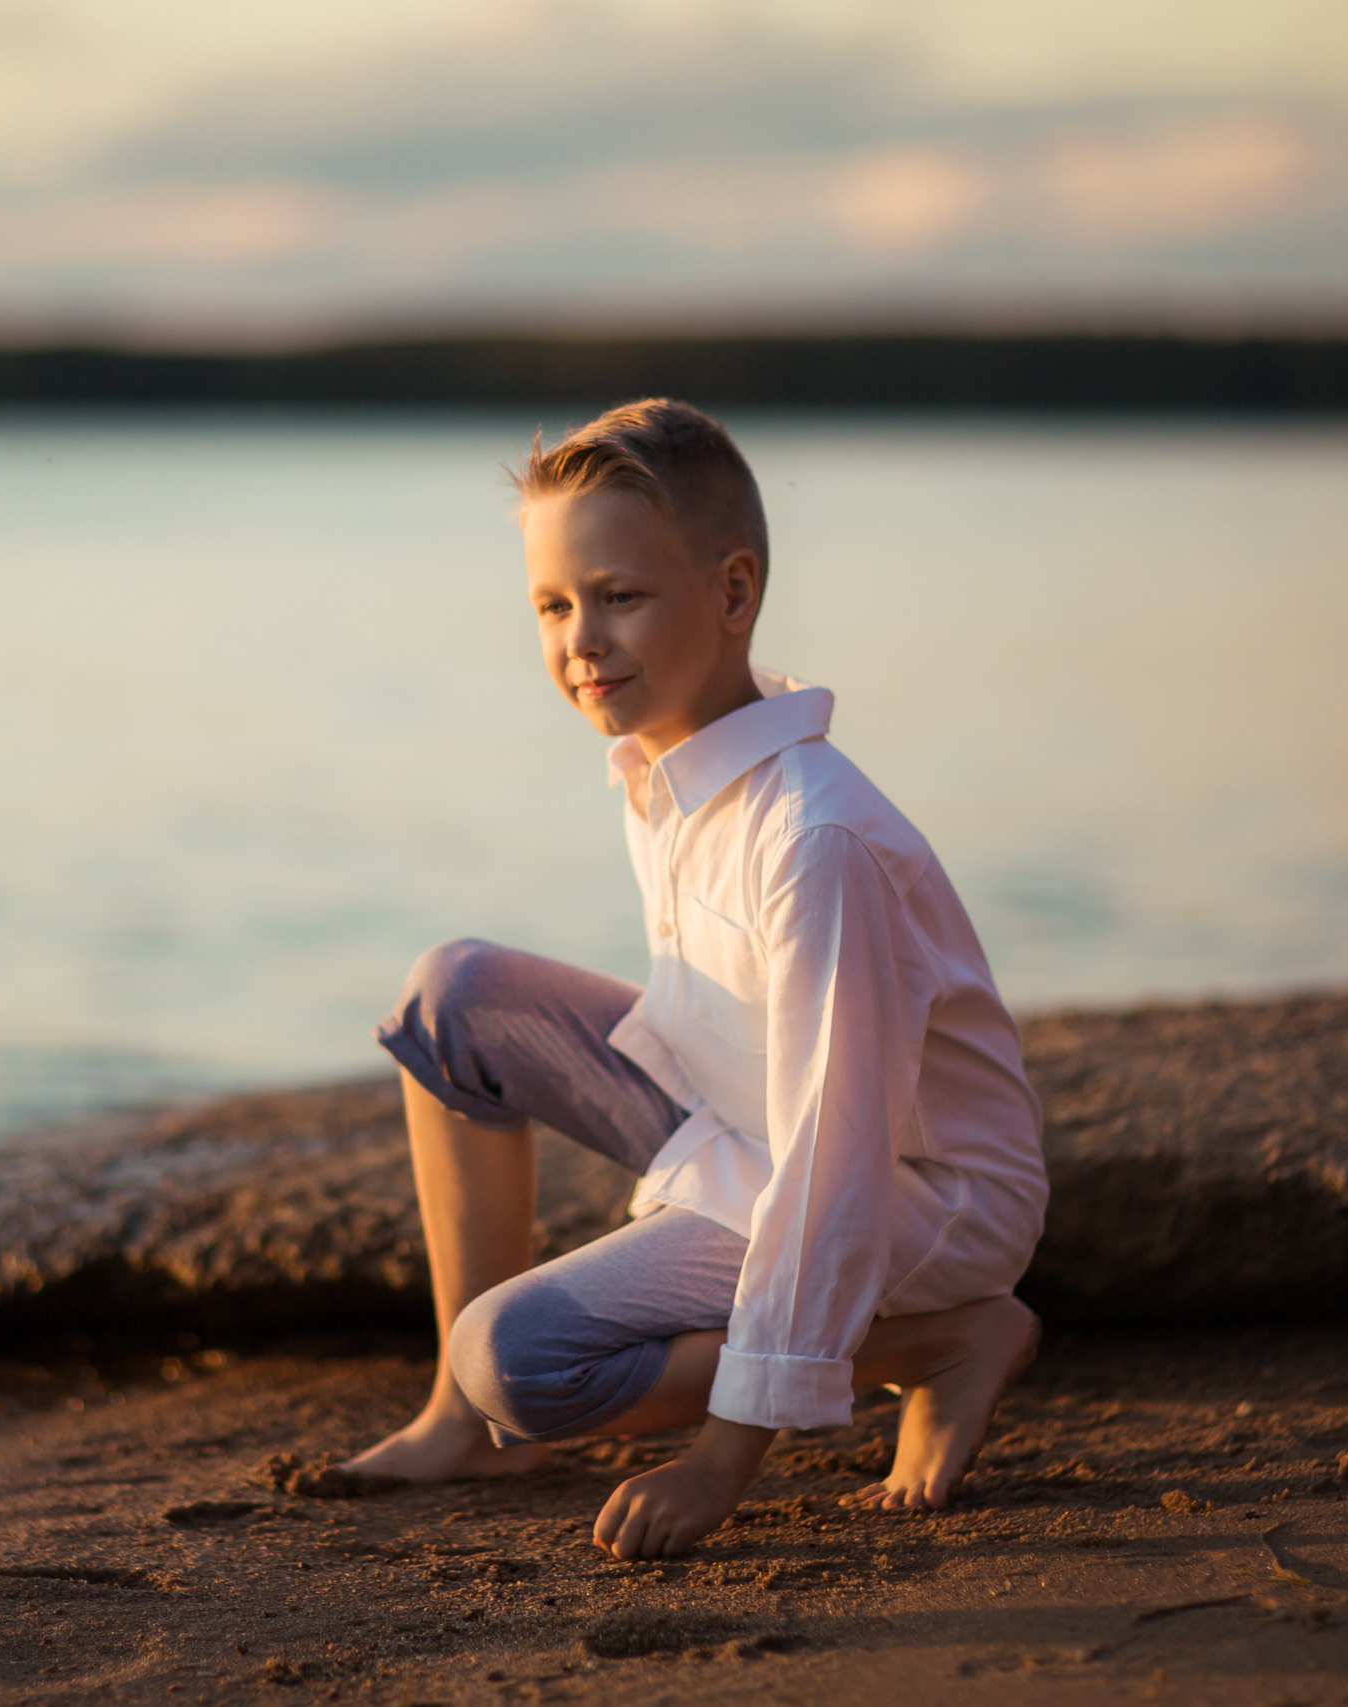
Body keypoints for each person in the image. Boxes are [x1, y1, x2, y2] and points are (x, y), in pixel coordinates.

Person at [344, 399, 1048, 1561]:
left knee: (515, 1359)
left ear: (731, 595)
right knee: (451, 999)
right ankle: (451, 1423)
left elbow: (835, 1160)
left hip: (911, 1191)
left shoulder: (813, 840)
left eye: (619, 597)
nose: (582, 641)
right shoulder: (666, 768)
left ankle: (940, 1342)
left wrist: (723, 1460)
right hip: (748, 1120)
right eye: (553, 606)